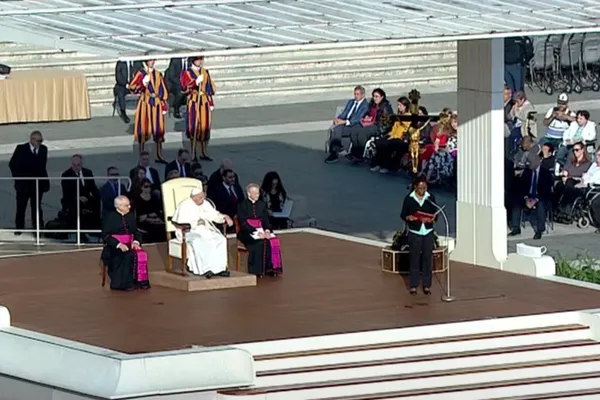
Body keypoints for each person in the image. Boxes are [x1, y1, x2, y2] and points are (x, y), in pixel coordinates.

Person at [171, 187, 233, 278]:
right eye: (200, 198)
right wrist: (195, 223)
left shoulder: (205, 204)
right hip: (189, 231)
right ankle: (205, 269)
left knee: (220, 239)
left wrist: (225, 217)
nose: (203, 199)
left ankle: (220, 268)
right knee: (200, 241)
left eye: (203, 197)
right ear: (194, 198)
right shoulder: (184, 205)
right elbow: (179, 222)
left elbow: (214, 215)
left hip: (206, 229)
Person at [101, 195, 150, 291]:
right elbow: (105, 235)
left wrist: (136, 242)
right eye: (127, 205)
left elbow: (136, 232)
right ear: (119, 206)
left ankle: (140, 282)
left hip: (130, 243)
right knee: (127, 255)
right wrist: (119, 245)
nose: (129, 207)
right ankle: (123, 284)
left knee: (141, 254)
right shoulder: (110, 217)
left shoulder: (131, 215)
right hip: (114, 246)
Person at [400, 176, 438, 296]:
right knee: (415, 258)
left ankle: (427, 285)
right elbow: (403, 214)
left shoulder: (430, 198)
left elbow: (435, 212)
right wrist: (409, 217)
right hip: (415, 232)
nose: (423, 190)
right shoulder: (409, 199)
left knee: (427, 258)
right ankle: (413, 285)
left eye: (425, 188)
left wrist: (432, 218)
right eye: (420, 188)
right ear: (415, 187)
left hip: (427, 231)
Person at [237, 183, 283, 277]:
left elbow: (265, 220)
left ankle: (271, 268)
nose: (257, 195)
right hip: (247, 231)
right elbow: (243, 223)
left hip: (261, 229)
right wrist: (257, 232)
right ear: (249, 194)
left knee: (273, 241)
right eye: (255, 193)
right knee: (258, 243)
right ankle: (257, 271)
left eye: (258, 193)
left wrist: (267, 231)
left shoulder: (262, 204)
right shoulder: (242, 205)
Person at [9, 131, 49, 235]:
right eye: (38, 141)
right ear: (32, 140)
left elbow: (42, 167)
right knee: (21, 206)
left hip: (37, 184)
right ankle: (19, 228)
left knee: (36, 206)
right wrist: (18, 178)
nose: (40, 143)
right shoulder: (21, 149)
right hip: (23, 185)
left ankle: (38, 228)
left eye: (41, 141)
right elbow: (12, 164)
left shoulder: (43, 149)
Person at [129, 56, 168, 164]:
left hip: (156, 103)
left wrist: (162, 100)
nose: (152, 62)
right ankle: (141, 154)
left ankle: (158, 154)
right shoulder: (141, 73)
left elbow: (162, 89)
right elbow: (132, 86)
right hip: (145, 103)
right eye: (150, 60)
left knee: (158, 129)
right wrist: (142, 83)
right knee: (143, 128)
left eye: (153, 60)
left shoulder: (158, 74)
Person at [509, 154, 553, 240]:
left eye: (530, 162)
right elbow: (522, 187)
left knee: (541, 205)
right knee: (516, 201)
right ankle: (516, 228)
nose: (528, 164)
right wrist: (526, 198)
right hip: (528, 196)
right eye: (528, 162)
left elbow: (546, 191)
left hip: (540, 197)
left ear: (538, 161)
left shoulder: (545, 173)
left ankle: (540, 230)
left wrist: (535, 200)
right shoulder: (527, 171)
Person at [180, 56, 216, 161]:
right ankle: (193, 152)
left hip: (204, 100)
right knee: (193, 126)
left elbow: (209, 87)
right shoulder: (187, 72)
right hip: (194, 101)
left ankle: (204, 151)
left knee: (205, 126)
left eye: (201, 59)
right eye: (198, 59)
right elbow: (184, 87)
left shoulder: (205, 72)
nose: (200, 61)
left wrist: (210, 101)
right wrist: (195, 82)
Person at [60, 154, 101, 240]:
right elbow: (67, 192)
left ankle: (96, 229)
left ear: (81, 164)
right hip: (73, 199)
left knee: (96, 201)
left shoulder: (88, 172)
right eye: (74, 165)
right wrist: (78, 197)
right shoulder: (66, 175)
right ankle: (80, 233)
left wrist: (97, 196)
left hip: (86, 198)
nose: (76, 167)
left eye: (78, 165)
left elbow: (93, 187)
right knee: (76, 206)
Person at [325, 85, 369, 160]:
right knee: (337, 128)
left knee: (338, 130)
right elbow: (345, 113)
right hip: (345, 123)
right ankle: (336, 149)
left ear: (363, 95)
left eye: (357, 94)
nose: (356, 96)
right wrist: (338, 119)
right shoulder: (351, 102)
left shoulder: (365, 105)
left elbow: (358, 118)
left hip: (355, 125)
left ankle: (334, 152)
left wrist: (344, 121)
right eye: (355, 94)